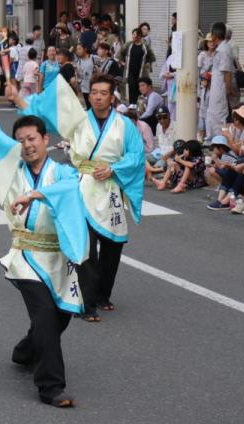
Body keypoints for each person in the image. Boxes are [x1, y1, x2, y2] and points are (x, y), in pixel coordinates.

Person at [0, 81, 89, 407]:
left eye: (32, 138)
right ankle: (51, 386)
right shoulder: (10, 169)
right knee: (45, 316)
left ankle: (26, 350)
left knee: (59, 317)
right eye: (20, 140)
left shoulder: (62, 173)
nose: (26, 145)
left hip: (57, 257)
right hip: (25, 258)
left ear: (45, 140)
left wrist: (37, 194)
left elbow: (70, 192)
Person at [11, 73, 144, 321]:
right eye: (94, 92)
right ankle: (86, 302)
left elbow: (137, 155)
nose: (97, 97)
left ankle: (103, 294)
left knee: (113, 248)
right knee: (85, 247)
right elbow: (45, 117)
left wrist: (114, 168)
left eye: (103, 93)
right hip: (82, 186)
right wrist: (20, 100)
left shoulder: (124, 125)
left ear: (112, 96)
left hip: (110, 187)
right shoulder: (79, 120)